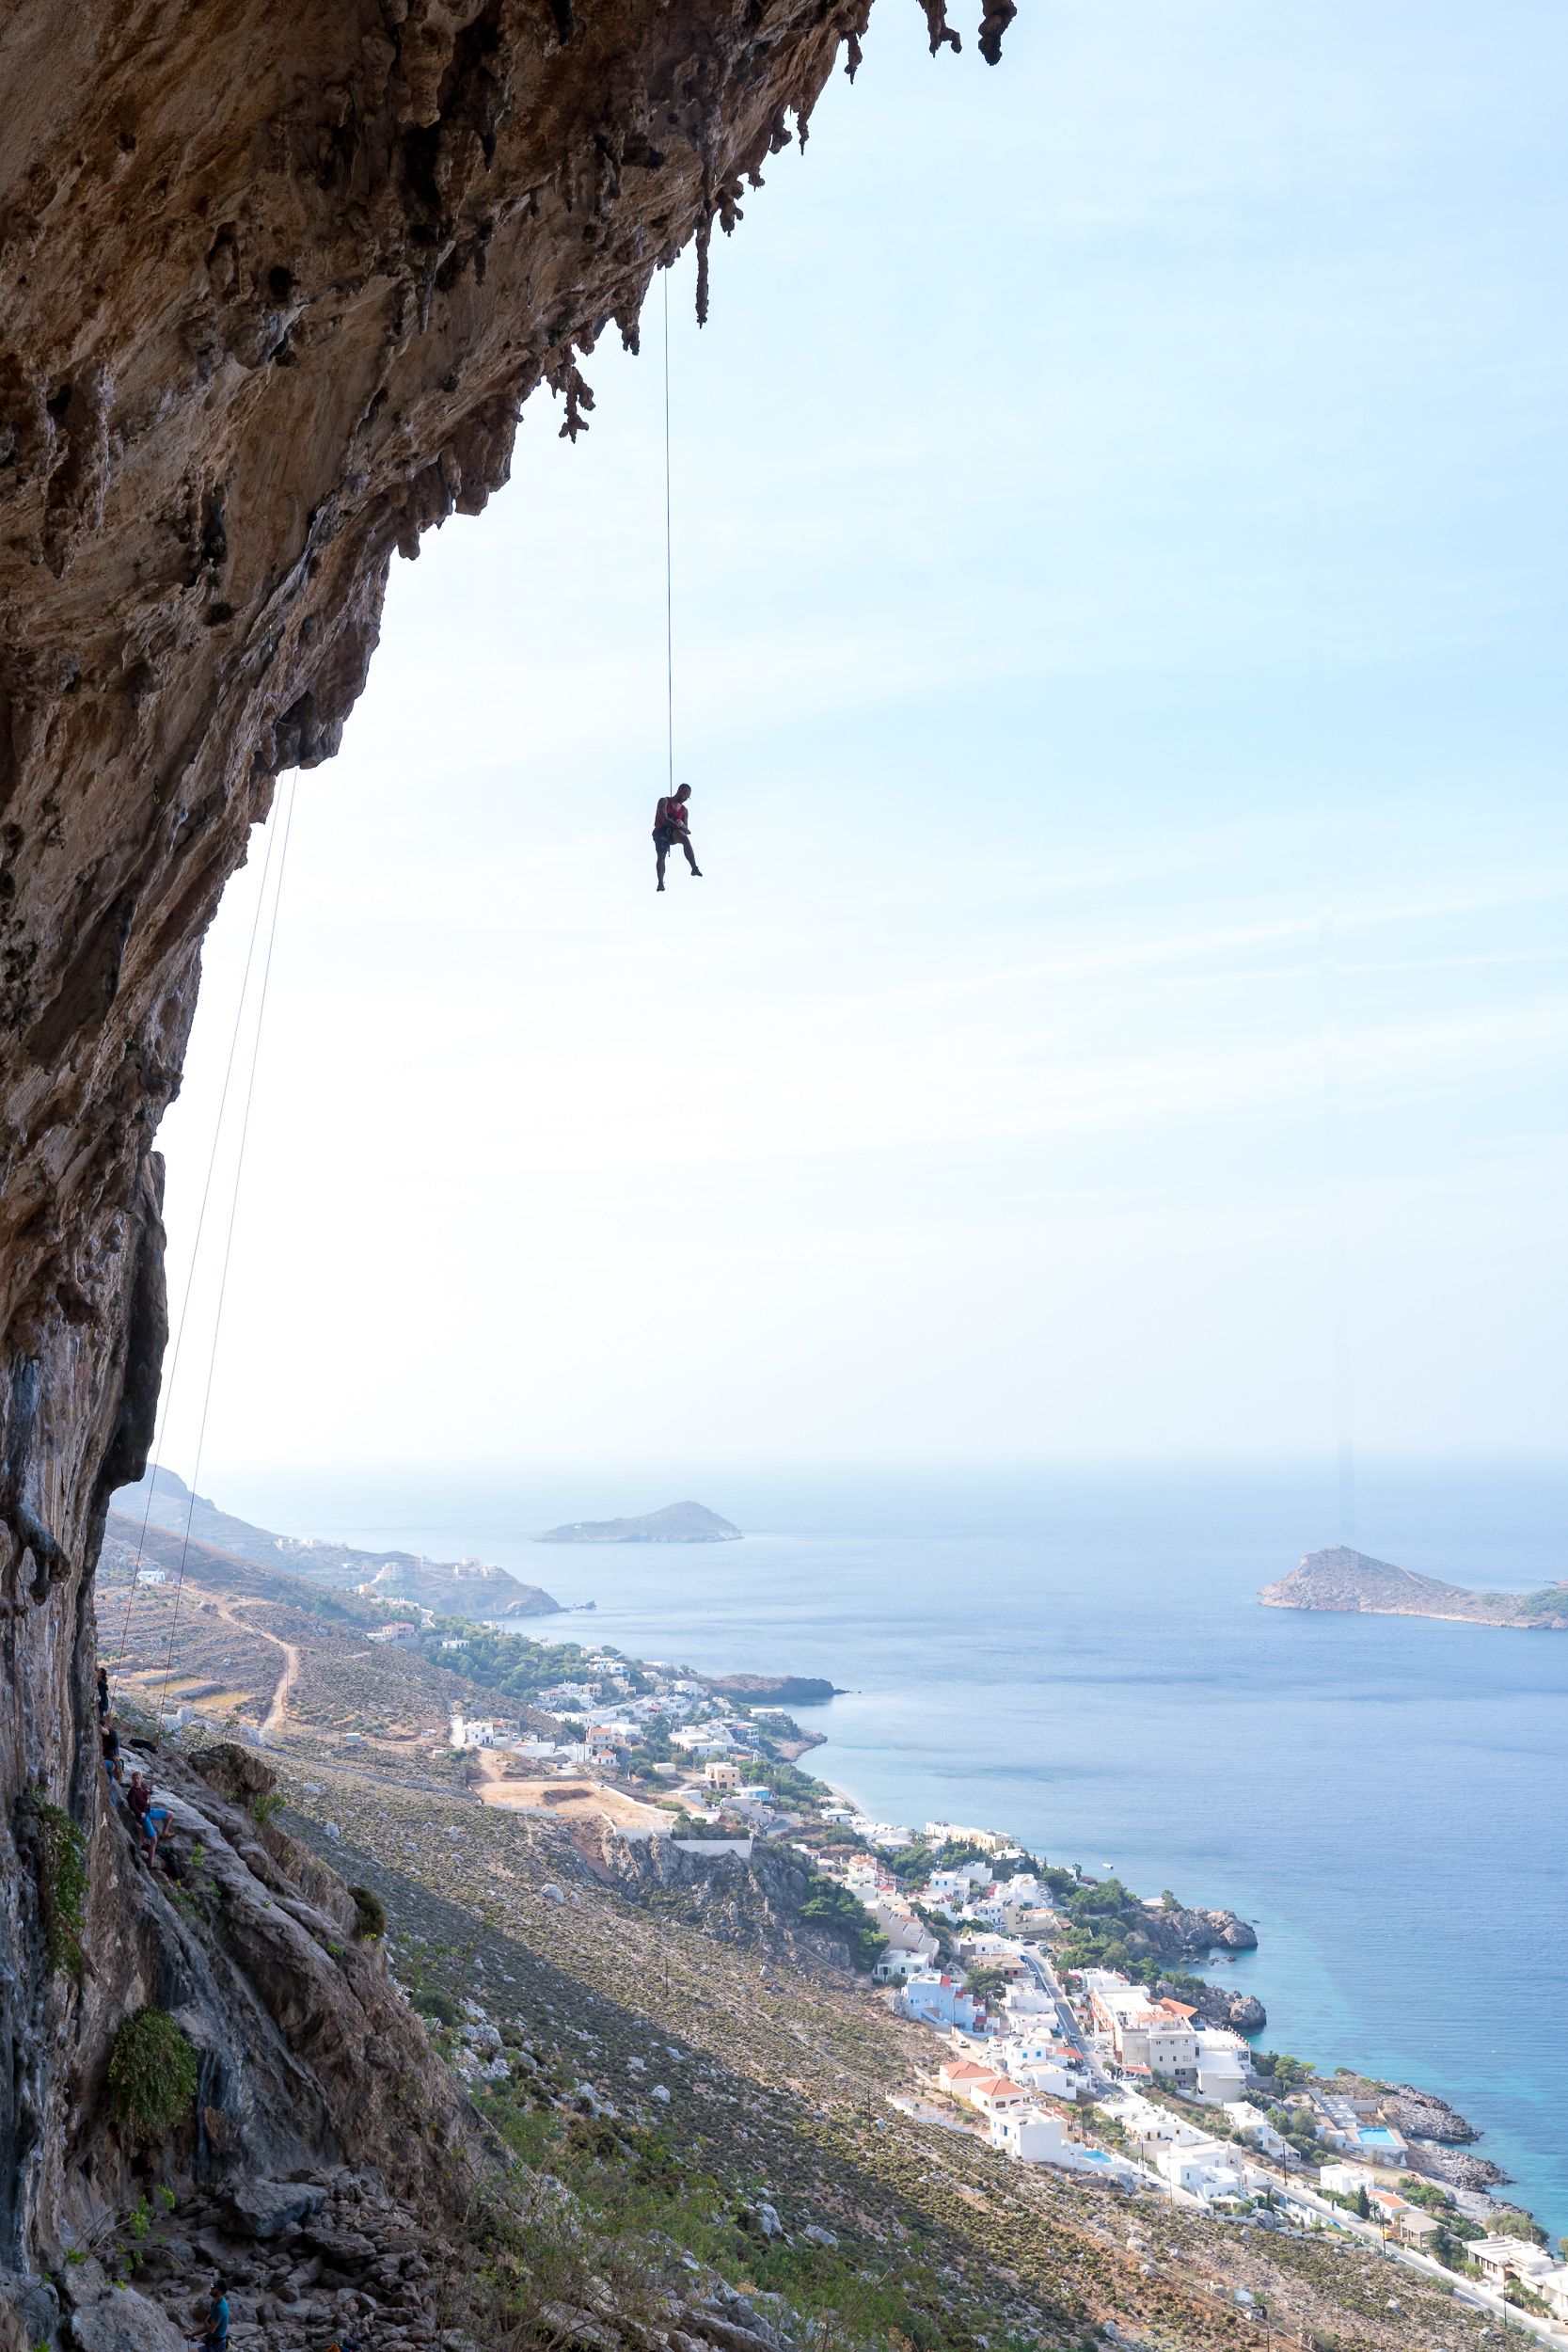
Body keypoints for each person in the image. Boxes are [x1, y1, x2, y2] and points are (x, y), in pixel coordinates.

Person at [652, 782, 702, 891]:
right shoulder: (664, 801)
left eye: (687, 797)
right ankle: (660, 883)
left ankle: (694, 868)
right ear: (679, 791)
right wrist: (676, 823)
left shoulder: (684, 811)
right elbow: (664, 819)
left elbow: (686, 830)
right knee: (661, 856)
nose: (685, 799)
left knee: (684, 838)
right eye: (685, 795)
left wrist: (682, 825)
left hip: (674, 833)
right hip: (661, 831)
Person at [190, 2278, 229, 2349]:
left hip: (218, 2344)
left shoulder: (220, 2308)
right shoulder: (215, 2302)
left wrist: (206, 2322)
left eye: (214, 2288)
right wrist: (192, 2334)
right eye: (211, 2286)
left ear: (220, 2292)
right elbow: (208, 2326)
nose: (211, 2288)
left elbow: (211, 2330)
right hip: (212, 2338)